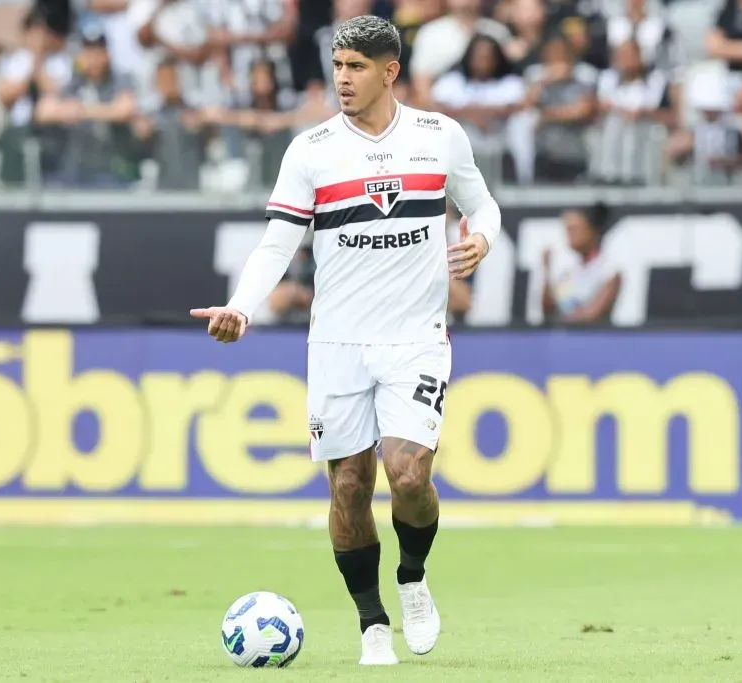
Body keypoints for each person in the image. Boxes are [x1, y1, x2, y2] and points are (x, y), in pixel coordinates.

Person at [189, 14, 501, 666]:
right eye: (337, 67)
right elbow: (278, 241)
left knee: (410, 473)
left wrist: (480, 237)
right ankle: (372, 623)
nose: (343, 79)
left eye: (356, 67)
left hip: (414, 336)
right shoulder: (311, 149)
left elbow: (484, 203)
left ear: (390, 71)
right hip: (336, 344)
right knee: (351, 487)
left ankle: (412, 576)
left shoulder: (439, 136)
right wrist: (242, 307)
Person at [542, 203, 621, 323]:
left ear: (592, 229)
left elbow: (592, 316)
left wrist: (562, 321)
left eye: (574, 229)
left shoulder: (609, 271)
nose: (570, 236)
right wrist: (547, 271)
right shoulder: (569, 273)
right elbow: (550, 310)